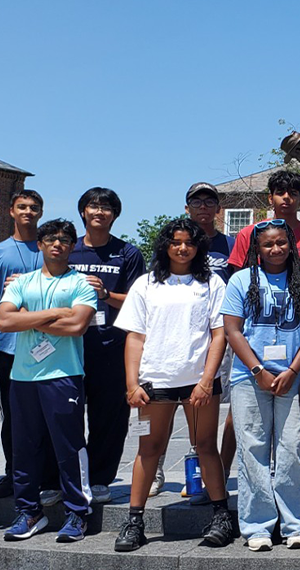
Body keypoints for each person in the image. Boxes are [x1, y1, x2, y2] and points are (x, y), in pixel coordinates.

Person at [113, 218, 233, 552]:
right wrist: (131, 383)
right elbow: (135, 336)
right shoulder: (146, 284)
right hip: (155, 383)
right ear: (165, 244)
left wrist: (207, 380)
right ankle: (135, 520)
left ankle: (220, 515)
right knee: (148, 449)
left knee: (205, 446)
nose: (182, 248)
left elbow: (218, 333)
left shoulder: (211, 283)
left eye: (190, 242)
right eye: (176, 241)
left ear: (199, 247)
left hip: (198, 382)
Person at [222, 220, 300, 552]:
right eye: (268, 244)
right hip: (249, 379)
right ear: (257, 249)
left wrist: (294, 370)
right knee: (252, 450)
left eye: (281, 243)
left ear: (291, 245)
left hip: (292, 378)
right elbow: (233, 330)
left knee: (291, 449)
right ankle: (258, 525)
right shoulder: (241, 280)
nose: (275, 249)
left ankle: (295, 522)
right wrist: (258, 370)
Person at [0, 219, 97, 543]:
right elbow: (5, 320)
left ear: (72, 246)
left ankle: (77, 513)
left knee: (69, 448)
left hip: (64, 375)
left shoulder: (81, 284)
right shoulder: (21, 282)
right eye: (51, 239)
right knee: (23, 448)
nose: (58, 244)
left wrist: (31, 319)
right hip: (23, 376)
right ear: (40, 244)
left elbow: (77, 327)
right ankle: (29, 512)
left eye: (65, 239)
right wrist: (56, 314)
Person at [67, 187, 146, 505]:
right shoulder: (68, 250)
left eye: (106, 207)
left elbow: (139, 300)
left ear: (115, 214)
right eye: (92, 206)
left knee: (109, 418)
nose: (99, 212)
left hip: (112, 346)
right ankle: (68, 477)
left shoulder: (127, 253)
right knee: (67, 415)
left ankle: (100, 479)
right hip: (69, 345)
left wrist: (105, 295)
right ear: (83, 212)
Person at [0, 190, 45, 500]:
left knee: (46, 413)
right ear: (11, 212)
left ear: (41, 212)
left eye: (34, 207)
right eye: (22, 207)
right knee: (13, 416)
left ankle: (46, 474)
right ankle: (12, 473)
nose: (28, 212)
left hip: (47, 345)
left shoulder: (50, 249)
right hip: (7, 347)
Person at [179, 181, 237, 499]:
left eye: (209, 201)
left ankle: (219, 469)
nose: (203, 206)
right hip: (185, 336)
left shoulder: (231, 245)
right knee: (176, 402)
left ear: (218, 208)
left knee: (223, 403)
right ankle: (182, 467)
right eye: (196, 201)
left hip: (223, 335)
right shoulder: (179, 243)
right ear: (187, 207)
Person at [228, 170, 300, 276]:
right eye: (280, 193)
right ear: (271, 199)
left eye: (293, 193)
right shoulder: (248, 234)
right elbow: (238, 276)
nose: (286, 197)